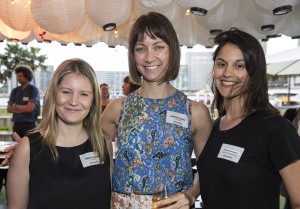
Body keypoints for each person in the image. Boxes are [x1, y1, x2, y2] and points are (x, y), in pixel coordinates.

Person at [101, 12, 212, 208]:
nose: (149, 57)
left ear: (172, 50)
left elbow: (209, 169)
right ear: (133, 54)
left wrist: (192, 193)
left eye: (158, 47)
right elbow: (97, 159)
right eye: (141, 48)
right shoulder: (117, 109)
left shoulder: (195, 112)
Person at [196, 28, 300, 209]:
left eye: (239, 65)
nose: (227, 73)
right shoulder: (215, 127)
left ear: (254, 72)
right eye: (221, 64)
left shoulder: (276, 129)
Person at [7, 58, 112, 209]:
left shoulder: (102, 143)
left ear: (93, 100)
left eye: (84, 94)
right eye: (66, 92)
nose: (74, 101)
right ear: (53, 94)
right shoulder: (28, 148)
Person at [7, 65, 40, 138]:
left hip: (30, 125)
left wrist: (16, 106)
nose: (18, 78)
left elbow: (29, 108)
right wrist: (24, 109)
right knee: (15, 147)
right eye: (17, 76)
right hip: (17, 125)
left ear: (27, 76)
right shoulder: (15, 91)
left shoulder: (33, 90)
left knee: (30, 147)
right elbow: (9, 109)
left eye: (20, 76)